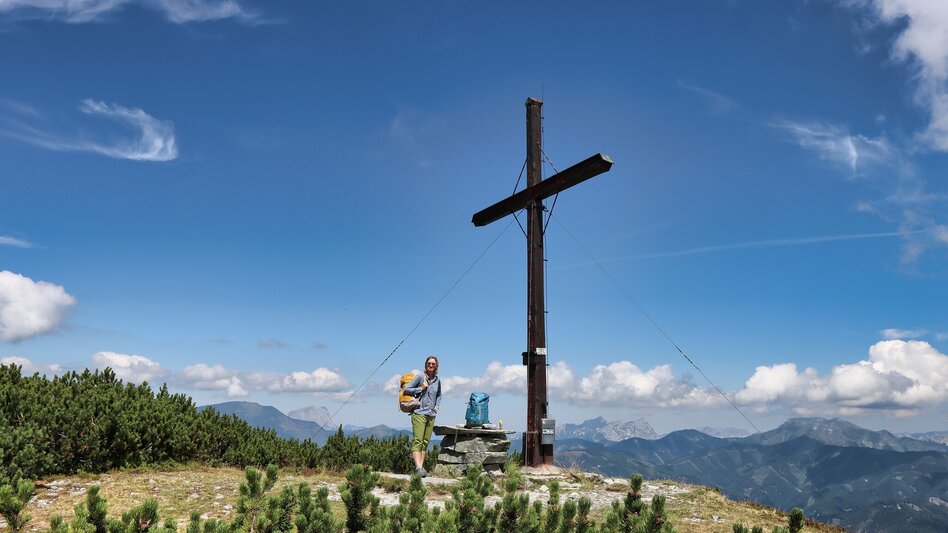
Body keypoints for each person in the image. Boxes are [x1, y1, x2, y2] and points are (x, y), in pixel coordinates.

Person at [403, 355, 441, 477]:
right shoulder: (420, 377)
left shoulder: (437, 380)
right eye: (429, 363)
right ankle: (418, 468)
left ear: (436, 366)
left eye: (433, 364)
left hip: (431, 414)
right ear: (426, 365)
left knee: (425, 442)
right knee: (418, 440)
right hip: (419, 412)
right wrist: (420, 388)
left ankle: (421, 468)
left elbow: (439, 395)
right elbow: (406, 390)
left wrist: (436, 407)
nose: (431, 365)